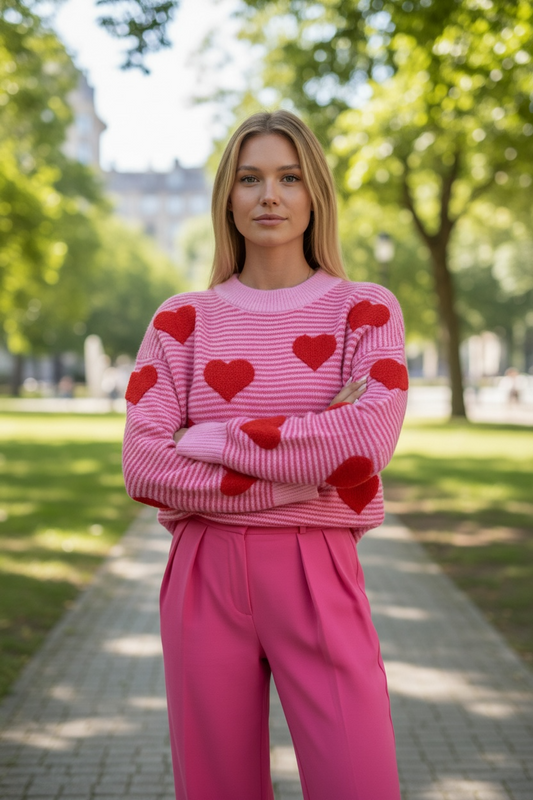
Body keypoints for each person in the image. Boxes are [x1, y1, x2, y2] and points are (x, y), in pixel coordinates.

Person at [122, 109, 407, 800]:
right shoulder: (180, 320)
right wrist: (307, 468)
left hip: (318, 565)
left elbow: (365, 442)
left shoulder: (364, 310)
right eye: (250, 179)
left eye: (289, 177)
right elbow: (147, 466)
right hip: (203, 573)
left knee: (358, 782)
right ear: (227, 197)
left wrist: (212, 439)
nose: (269, 195)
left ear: (316, 195)